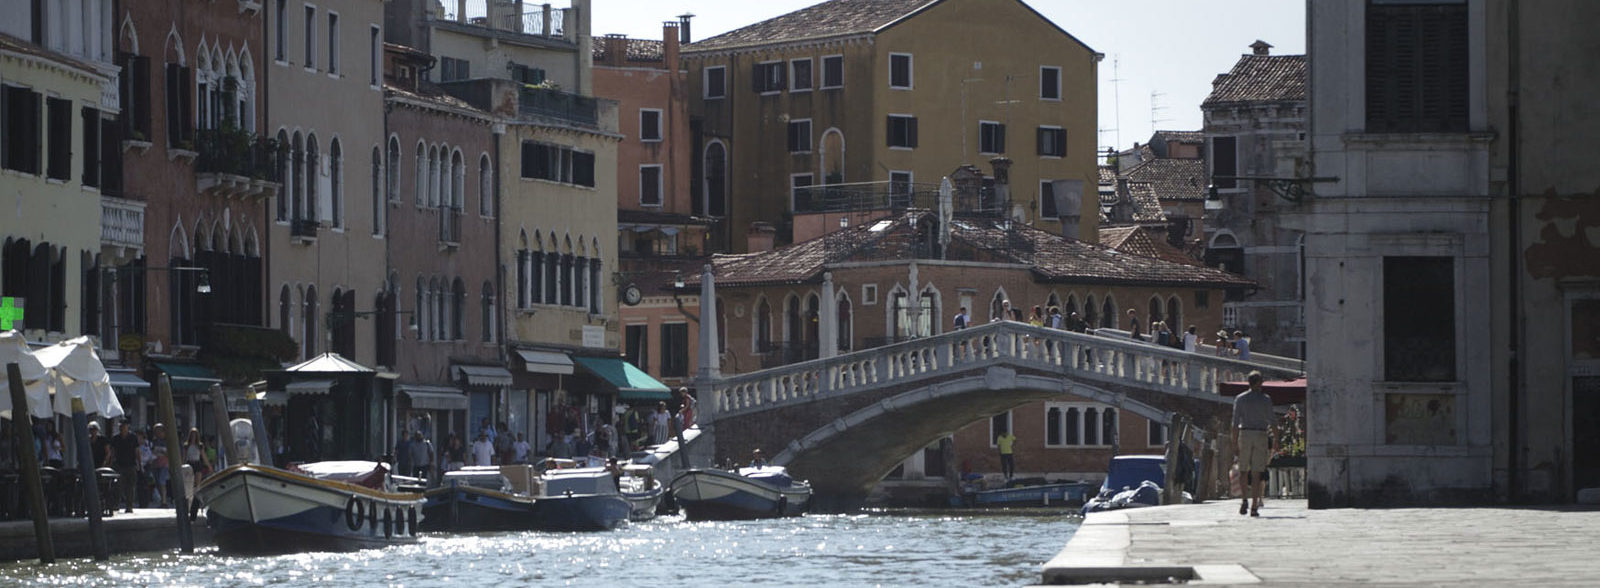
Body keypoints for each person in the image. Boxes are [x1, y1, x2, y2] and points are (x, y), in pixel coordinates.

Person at [1232, 371, 1276, 517]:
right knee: (1257, 472)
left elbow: (1235, 423)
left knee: (1243, 470)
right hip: (1260, 435)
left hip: (1245, 434)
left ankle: (1245, 499)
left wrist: (1234, 443)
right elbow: (1273, 422)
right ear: (1258, 383)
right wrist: (1276, 441)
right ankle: (1254, 506)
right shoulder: (1266, 399)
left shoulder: (1240, 399)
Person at [110, 421, 142, 512]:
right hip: (119, 465)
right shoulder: (116, 438)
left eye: (124, 427)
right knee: (117, 486)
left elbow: (137, 451)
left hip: (130, 465)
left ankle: (129, 506)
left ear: (128, 427)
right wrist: (111, 463)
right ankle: (116, 504)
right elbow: (112, 452)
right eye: (121, 427)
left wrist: (139, 465)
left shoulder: (133, 438)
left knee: (130, 487)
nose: (122, 428)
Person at [150, 424, 170, 507]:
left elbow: (169, 453)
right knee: (157, 482)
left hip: (164, 464)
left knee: (162, 481)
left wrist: (162, 452)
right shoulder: (153, 441)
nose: (158, 433)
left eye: (159, 431)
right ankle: (162, 498)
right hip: (155, 464)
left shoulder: (167, 441)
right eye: (156, 431)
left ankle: (164, 501)